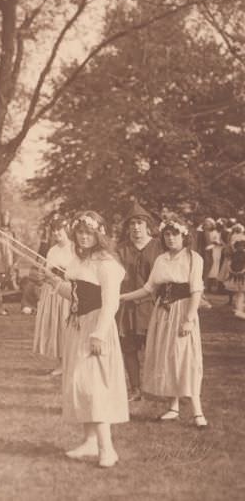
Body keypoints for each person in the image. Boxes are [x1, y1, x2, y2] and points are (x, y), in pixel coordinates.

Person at [45, 211, 128, 468]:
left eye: (89, 232)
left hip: (96, 327)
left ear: (99, 235)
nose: (83, 237)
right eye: (79, 232)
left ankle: (108, 449)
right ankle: (90, 441)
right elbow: (77, 295)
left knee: (94, 386)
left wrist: (99, 334)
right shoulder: (79, 261)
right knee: (79, 383)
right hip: (77, 326)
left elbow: (110, 303)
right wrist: (55, 283)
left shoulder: (107, 264)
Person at [120, 214, 208, 428]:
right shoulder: (161, 259)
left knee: (185, 357)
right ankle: (173, 407)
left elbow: (196, 290)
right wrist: (122, 297)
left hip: (183, 310)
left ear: (184, 235)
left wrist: (188, 319)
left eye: (174, 234)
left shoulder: (193, 258)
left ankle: (197, 411)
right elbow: (148, 288)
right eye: (166, 235)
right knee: (167, 356)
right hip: (162, 312)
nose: (170, 238)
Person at [115, 200, 163, 402]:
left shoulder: (159, 247)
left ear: (147, 225)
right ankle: (135, 389)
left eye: (139, 223)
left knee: (157, 349)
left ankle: (161, 388)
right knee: (129, 348)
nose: (135, 227)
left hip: (153, 305)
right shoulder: (120, 249)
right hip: (126, 305)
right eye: (132, 224)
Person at [32, 215, 75, 376]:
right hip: (52, 291)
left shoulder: (74, 248)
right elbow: (47, 269)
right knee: (55, 325)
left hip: (67, 291)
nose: (57, 233)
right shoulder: (52, 250)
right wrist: (44, 274)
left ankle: (70, 362)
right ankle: (61, 363)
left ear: (67, 230)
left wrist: (60, 273)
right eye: (54, 230)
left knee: (65, 324)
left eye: (60, 230)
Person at [221, 229, 245, 319]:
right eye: (238, 246)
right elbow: (230, 263)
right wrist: (231, 270)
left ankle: (240, 308)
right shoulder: (234, 254)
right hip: (235, 275)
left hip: (242, 275)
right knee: (238, 292)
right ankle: (238, 308)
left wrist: (242, 271)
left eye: (242, 246)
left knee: (241, 292)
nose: (240, 248)